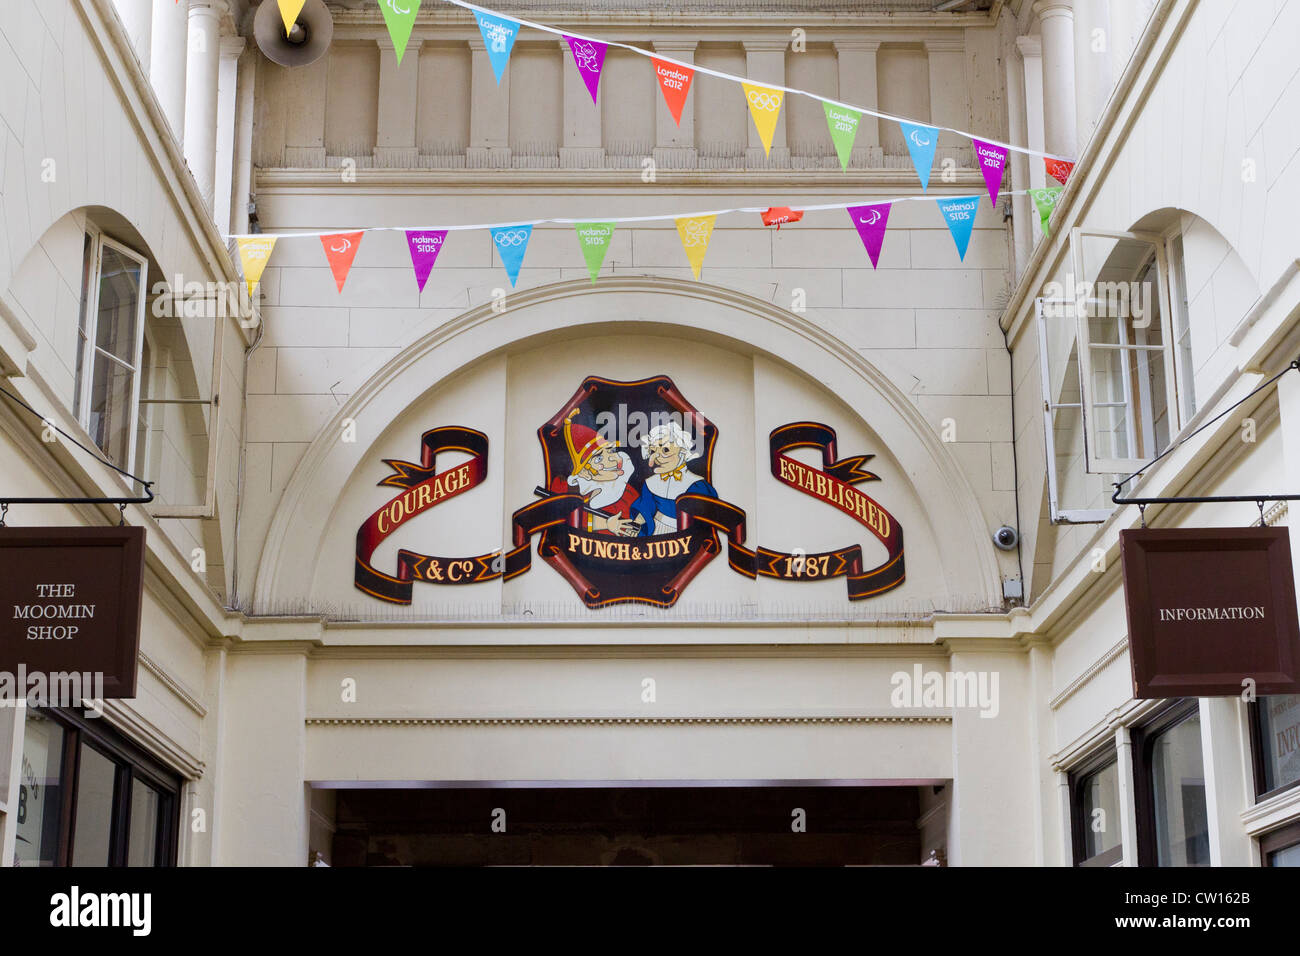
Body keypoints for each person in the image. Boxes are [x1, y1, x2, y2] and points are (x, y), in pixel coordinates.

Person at [550, 410, 640, 536]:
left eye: (611, 451)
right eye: (598, 458)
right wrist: (605, 524)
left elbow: (639, 524)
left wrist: (637, 529)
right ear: (584, 471)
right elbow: (562, 518)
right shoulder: (564, 489)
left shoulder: (628, 494)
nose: (612, 459)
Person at [630, 422, 717, 536]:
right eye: (653, 451)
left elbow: (706, 517)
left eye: (665, 450)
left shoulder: (697, 485)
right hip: (657, 530)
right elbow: (646, 508)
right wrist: (636, 524)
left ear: (682, 451)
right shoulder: (651, 483)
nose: (657, 458)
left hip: (684, 534)